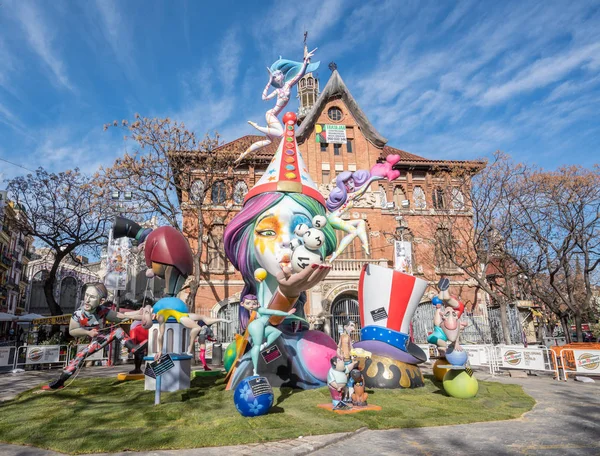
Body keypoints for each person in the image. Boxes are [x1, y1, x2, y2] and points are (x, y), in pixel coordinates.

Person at [43, 283, 146, 390]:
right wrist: (88, 333)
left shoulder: (102, 310)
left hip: (101, 339)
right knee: (79, 357)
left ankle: (134, 351)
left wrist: (140, 313)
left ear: (101, 301)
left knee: (118, 331)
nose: (87, 300)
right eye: (86, 295)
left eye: (92, 297)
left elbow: (121, 316)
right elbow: (72, 331)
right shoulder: (78, 314)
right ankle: (60, 381)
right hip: (93, 342)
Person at [236, 48, 319, 163]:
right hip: (270, 115)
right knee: (282, 134)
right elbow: (264, 98)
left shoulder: (288, 85)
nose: (276, 77)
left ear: (282, 76)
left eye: (277, 75)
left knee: (268, 141)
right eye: (274, 77)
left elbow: (299, 75)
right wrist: (269, 82)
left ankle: (244, 154)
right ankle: (257, 127)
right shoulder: (277, 91)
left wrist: (305, 62)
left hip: (272, 116)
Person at [140, 298, 230, 362]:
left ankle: (222, 319)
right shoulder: (160, 317)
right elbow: (161, 335)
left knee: (203, 317)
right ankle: (189, 349)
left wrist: (221, 320)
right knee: (197, 327)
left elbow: (140, 314)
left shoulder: (158, 312)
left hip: (183, 314)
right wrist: (160, 350)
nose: (151, 314)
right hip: (181, 318)